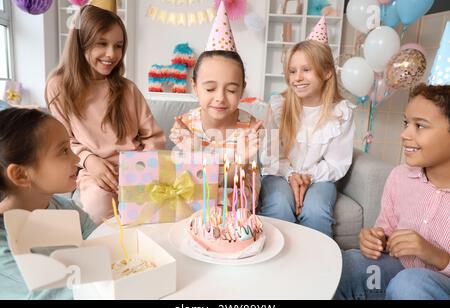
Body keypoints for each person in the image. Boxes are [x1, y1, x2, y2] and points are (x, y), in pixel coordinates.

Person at [46, 5, 165, 224]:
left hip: (138, 168)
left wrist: (141, 169)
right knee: (97, 210)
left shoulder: (128, 89)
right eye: (102, 44)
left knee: (155, 211)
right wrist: (90, 161)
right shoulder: (59, 86)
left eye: (118, 46)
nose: (112, 54)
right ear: (82, 43)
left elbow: (154, 137)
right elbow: (63, 140)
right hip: (95, 171)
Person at [335, 84, 450, 300]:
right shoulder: (400, 177)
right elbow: (386, 230)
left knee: (409, 285)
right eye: (406, 123)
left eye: (420, 126)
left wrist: (436, 255)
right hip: (398, 272)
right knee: (347, 265)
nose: (405, 134)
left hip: (436, 287)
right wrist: (376, 239)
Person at [169, 1, 262, 211]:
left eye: (230, 90)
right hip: (200, 192)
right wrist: (193, 152)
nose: (220, 98)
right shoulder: (185, 126)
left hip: (237, 194)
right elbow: (187, 183)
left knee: (228, 200)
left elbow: (234, 184)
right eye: (210, 89)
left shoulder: (250, 127)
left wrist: (241, 159)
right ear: (194, 87)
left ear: (242, 89)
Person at [258, 39, 355, 237]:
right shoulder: (279, 106)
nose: (297, 78)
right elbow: (270, 154)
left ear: (327, 72)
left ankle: (315, 265)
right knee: (279, 206)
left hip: (320, 177)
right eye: (292, 71)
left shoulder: (341, 112)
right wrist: (292, 175)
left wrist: (308, 177)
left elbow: (337, 163)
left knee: (316, 211)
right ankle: (274, 263)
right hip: (279, 173)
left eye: (306, 70)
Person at [0, 108, 98, 300]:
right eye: (63, 151)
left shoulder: (68, 209)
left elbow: (102, 247)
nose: (77, 158)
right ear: (21, 175)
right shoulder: (4, 249)